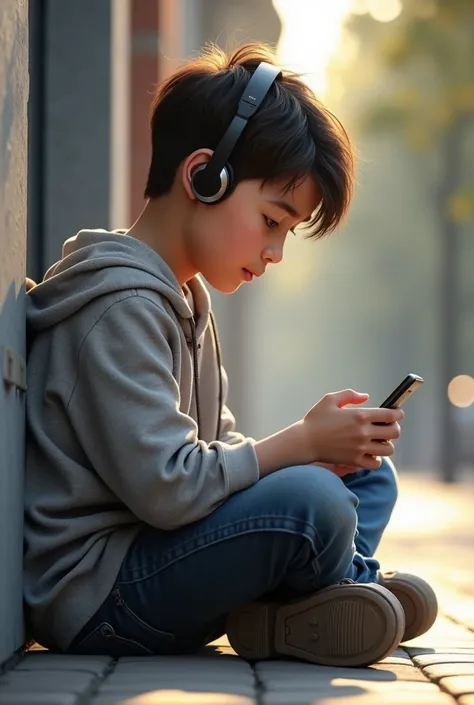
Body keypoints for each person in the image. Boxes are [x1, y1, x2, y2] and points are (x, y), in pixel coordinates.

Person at [24, 43, 437, 667]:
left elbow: (217, 447)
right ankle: (341, 589)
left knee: (363, 475)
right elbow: (169, 488)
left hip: (159, 556)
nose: (276, 252)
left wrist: (321, 449)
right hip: (104, 597)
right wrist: (299, 444)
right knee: (316, 501)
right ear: (203, 177)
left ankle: (309, 606)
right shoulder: (117, 307)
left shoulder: (185, 299)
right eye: (273, 220)